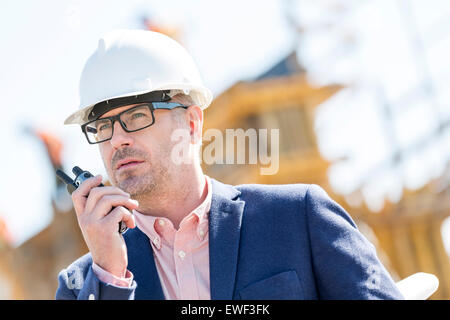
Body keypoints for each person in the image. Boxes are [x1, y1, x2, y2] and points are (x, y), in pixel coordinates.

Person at [55, 29, 404, 300]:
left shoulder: (299, 218)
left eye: (136, 115)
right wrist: (109, 280)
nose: (116, 139)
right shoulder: (81, 285)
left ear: (191, 124)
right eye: (101, 127)